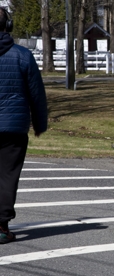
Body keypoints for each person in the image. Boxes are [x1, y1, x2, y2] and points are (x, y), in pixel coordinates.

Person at [0, 7, 48, 244]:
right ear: (8, 27)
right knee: (8, 175)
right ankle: (1, 226)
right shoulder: (22, 55)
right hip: (14, 126)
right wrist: (40, 124)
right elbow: (37, 94)